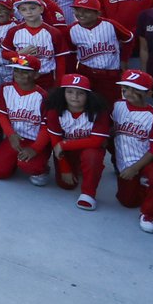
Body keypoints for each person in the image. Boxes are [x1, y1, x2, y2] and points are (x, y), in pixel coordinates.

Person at [109, 69, 153, 233]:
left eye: (135, 89)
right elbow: (112, 130)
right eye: (126, 88)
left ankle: (150, 213)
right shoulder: (118, 105)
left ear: (148, 93)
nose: (129, 93)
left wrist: (135, 168)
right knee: (127, 202)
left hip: (147, 161)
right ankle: (149, 189)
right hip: (124, 161)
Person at [41, 73, 111, 210]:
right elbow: (55, 142)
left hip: (87, 148)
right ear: (63, 93)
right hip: (66, 152)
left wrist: (64, 144)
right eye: (70, 92)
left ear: (88, 95)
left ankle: (88, 194)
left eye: (80, 93)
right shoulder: (55, 110)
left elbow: (97, 141)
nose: (75, 96)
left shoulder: (99, 111)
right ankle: (79, 168)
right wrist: (65, 168)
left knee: (92, 156)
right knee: (66, 185)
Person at [0, 52, 51, 185]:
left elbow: (46, 127)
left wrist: (35, 149)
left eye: (25, 71)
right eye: (16, 70)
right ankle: (13, 160)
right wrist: (10, 135)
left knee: (27, 165)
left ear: (36, 75)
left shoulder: (43, 96)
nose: (19, 74)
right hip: (16, 138)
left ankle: (42, 169)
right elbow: (2, 114)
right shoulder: (5, 88)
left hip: (35, 140)